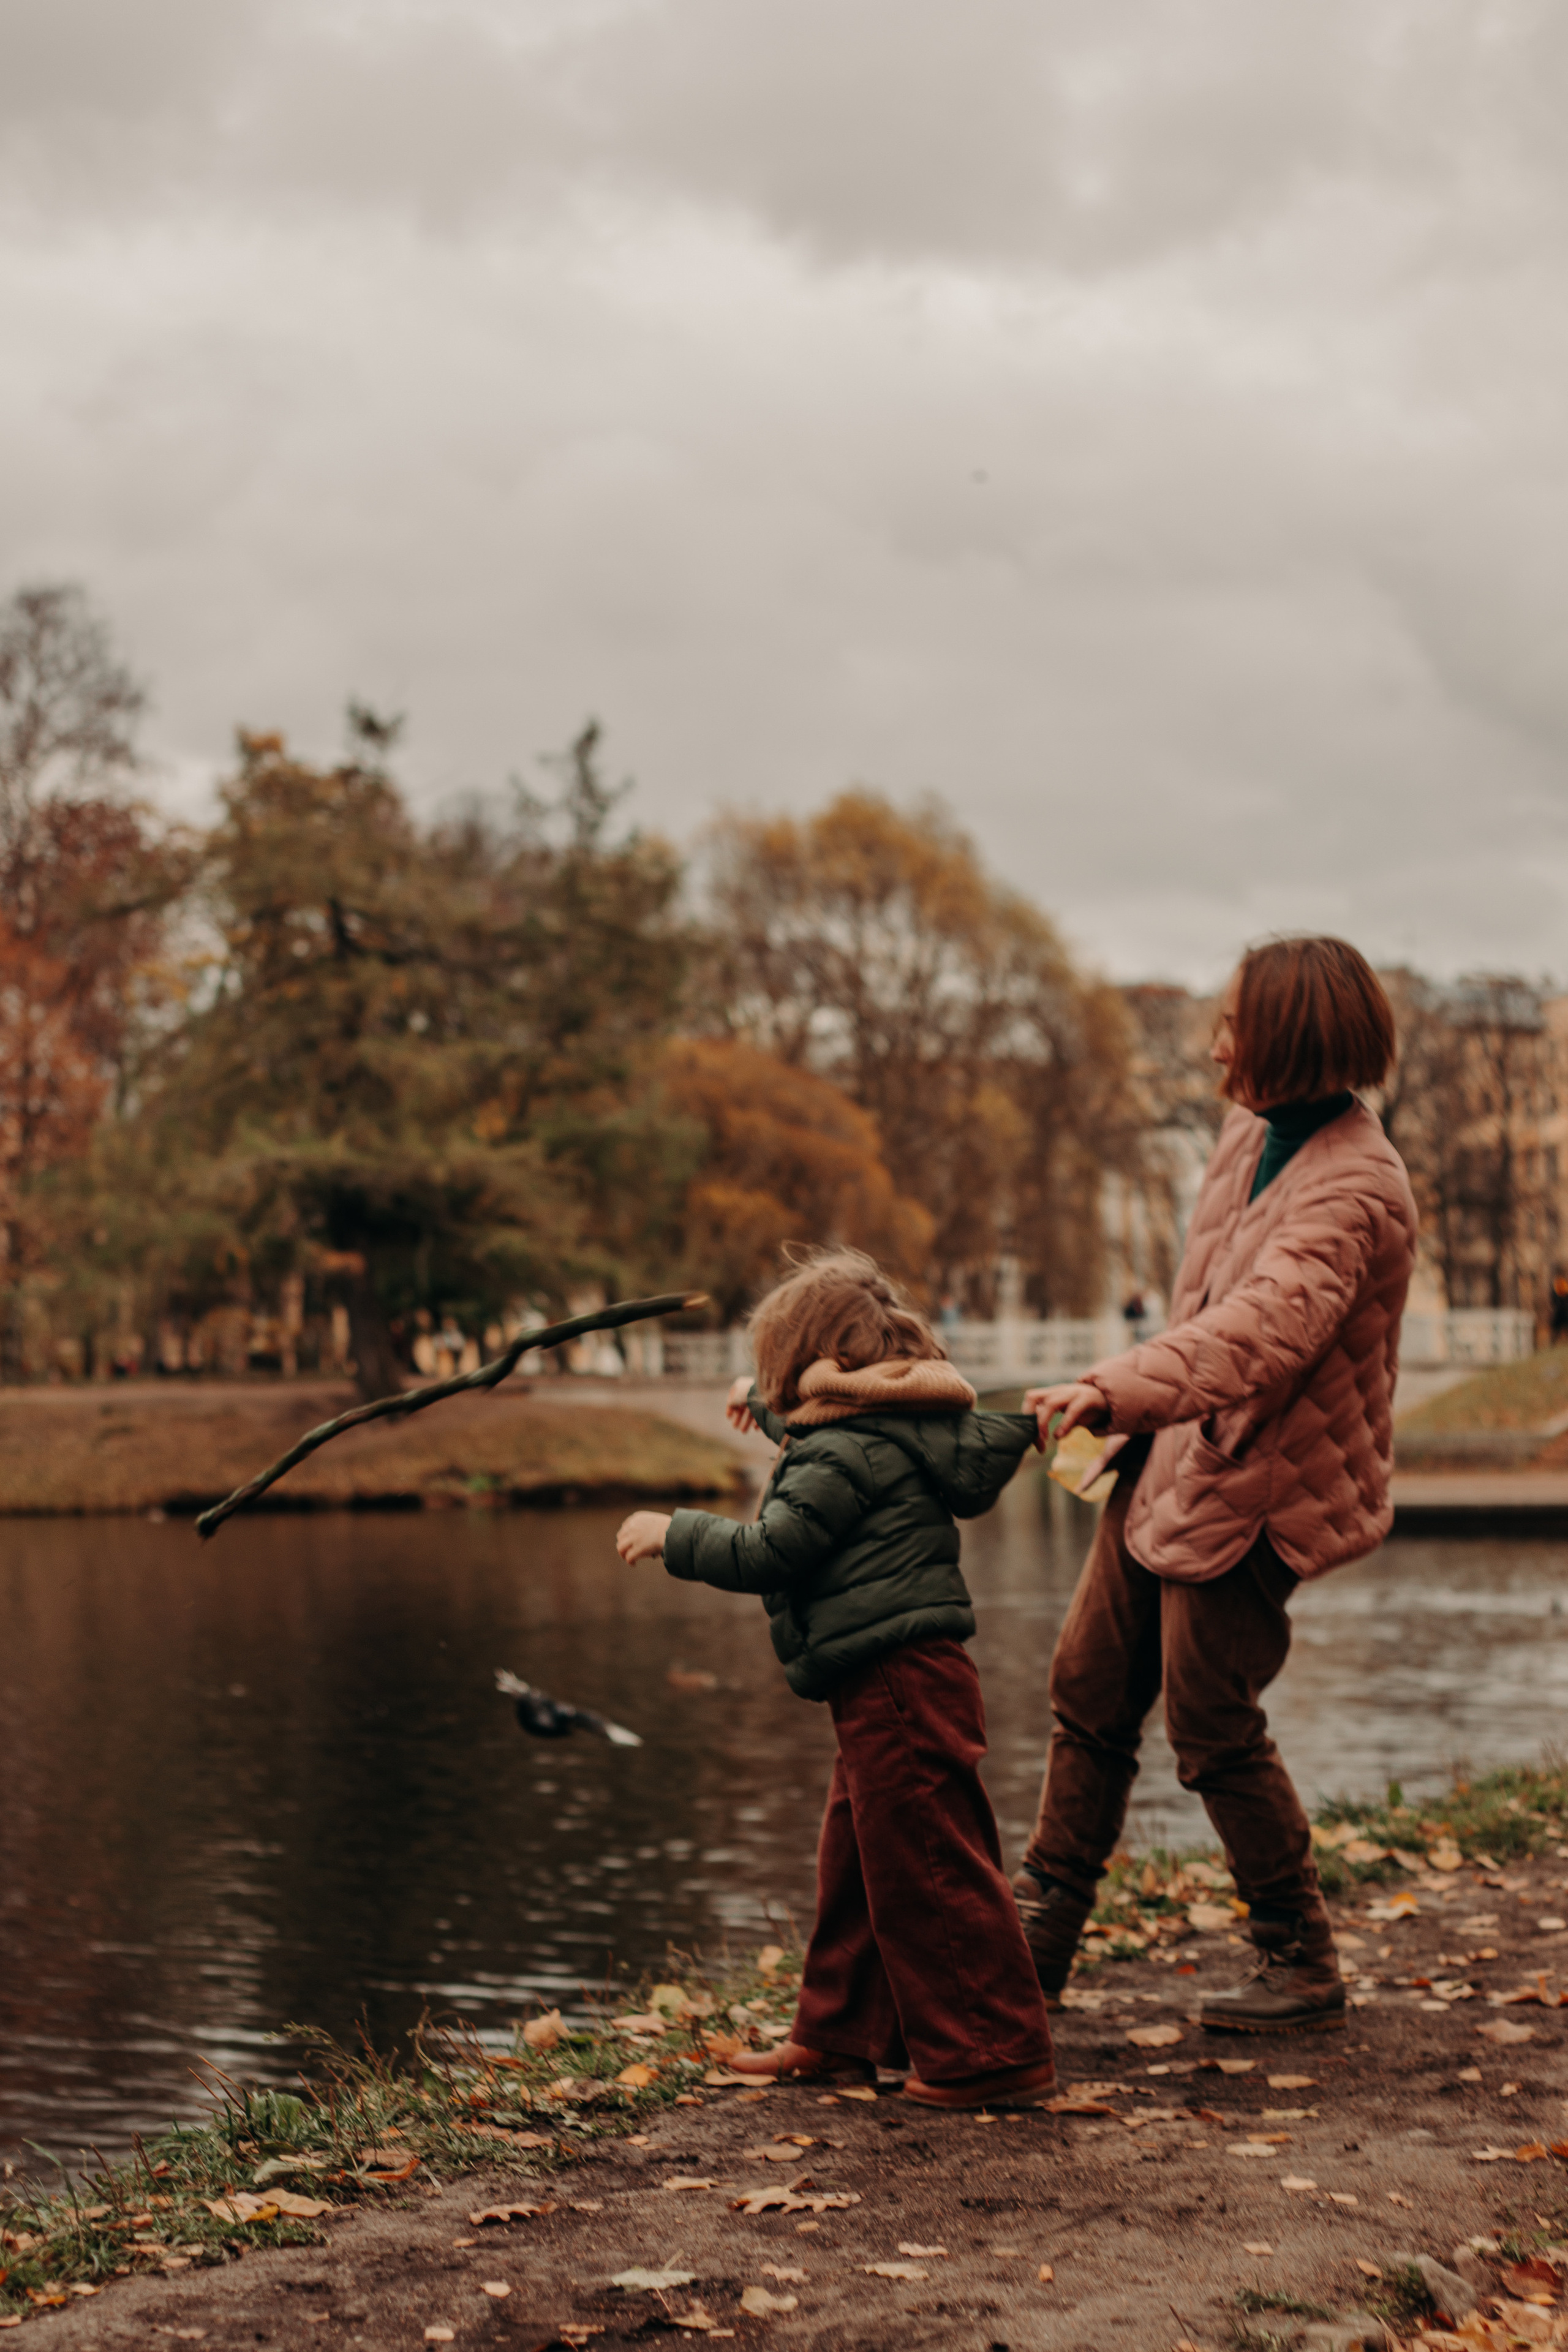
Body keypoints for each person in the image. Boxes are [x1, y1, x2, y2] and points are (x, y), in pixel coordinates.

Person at [1015, 937, 1417, 2035]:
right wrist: (1135, 1413)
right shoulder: (1248, 1133)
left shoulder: (1357, 1190)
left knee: (1210, 1719)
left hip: (1266, 1485)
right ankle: (1032, 1950)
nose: (1213, 1045)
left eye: (1231, 1025)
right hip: (1178, 1459)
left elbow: (1257, 1335)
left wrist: (1112, 1387)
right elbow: (1204, 1306)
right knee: (1089, 1687)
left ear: (1286, 1039)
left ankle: (1301, 1960)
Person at [614, 1250, 1056, 2110]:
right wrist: (765, 1413)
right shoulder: (893, 1421)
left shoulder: (844, 1450)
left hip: (895, 1679)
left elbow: (775, 1544)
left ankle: (993, 2053)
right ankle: (842, 2034)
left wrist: (677, 1535)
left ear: (819, 1362)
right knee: (856, 1860)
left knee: (930, 1861)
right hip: (896, 1676)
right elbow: (839, 1448)